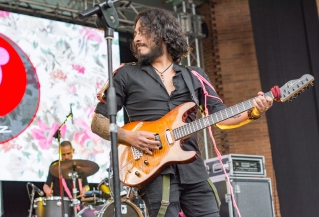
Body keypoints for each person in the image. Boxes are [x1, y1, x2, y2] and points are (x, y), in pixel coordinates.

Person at [91, 8, 273, 217]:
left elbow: (222, 118)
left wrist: (253, 112)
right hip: (153, 170)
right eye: (135, 34)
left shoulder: (194, 75)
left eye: (143, 32)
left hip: (194, 171)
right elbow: (98, 122)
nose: (137, 38)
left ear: (162, 33)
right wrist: (129, 136)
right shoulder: (125, 74)